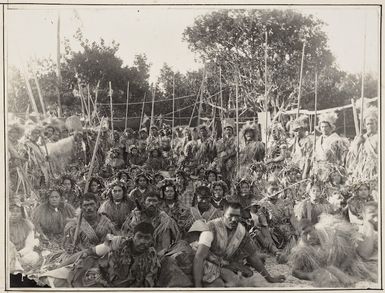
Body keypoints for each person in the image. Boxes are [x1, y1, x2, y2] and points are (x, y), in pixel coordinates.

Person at [193, 201, 285, 287]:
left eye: (237, 216)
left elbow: (252, 256)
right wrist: (198, 287)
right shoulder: (211, 227)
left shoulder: (241, 231)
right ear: (223, 215)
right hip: (206, 263)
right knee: (218, 284)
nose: (234, 219)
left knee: (247, 276)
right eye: (230, 216)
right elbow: (199, 257)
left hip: (224, 265)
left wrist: (269, 278)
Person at [68, 222, 160, 287]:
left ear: (152, 240)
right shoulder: (117, 242)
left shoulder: (151, 257)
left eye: (147, 238)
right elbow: (91, 251)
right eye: (139, 236)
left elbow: (148, 283)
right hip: (103, 281)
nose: (142, 241)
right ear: (133, 236)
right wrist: (64, 264)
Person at [313, 112, 349, 176]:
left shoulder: (336, 140)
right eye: (322, 127)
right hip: (319, 168)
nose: (324, 129)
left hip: (332, 169)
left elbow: (342, 157)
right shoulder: (318, 140)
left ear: (330, 127)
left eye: (326, 127)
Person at [347, 106, 378, 180]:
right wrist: (357, 143)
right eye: (368, 124)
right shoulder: (360, 137)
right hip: (362, 169)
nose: (370, 126)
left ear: (376, 124)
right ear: (364, 126)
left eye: (372, 123)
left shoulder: (380, 137)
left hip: (376, 168)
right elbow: (353, 156)